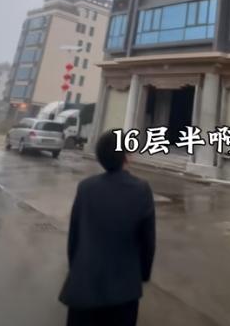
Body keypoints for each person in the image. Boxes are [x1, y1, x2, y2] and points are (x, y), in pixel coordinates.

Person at [60, 130, 156, 326]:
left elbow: (74, 236)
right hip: (123, 292)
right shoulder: (141, 190)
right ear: (126, 156)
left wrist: (77, 268)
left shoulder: (86, 188)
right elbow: (148, 241)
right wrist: (143, 274)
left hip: (83, 286)